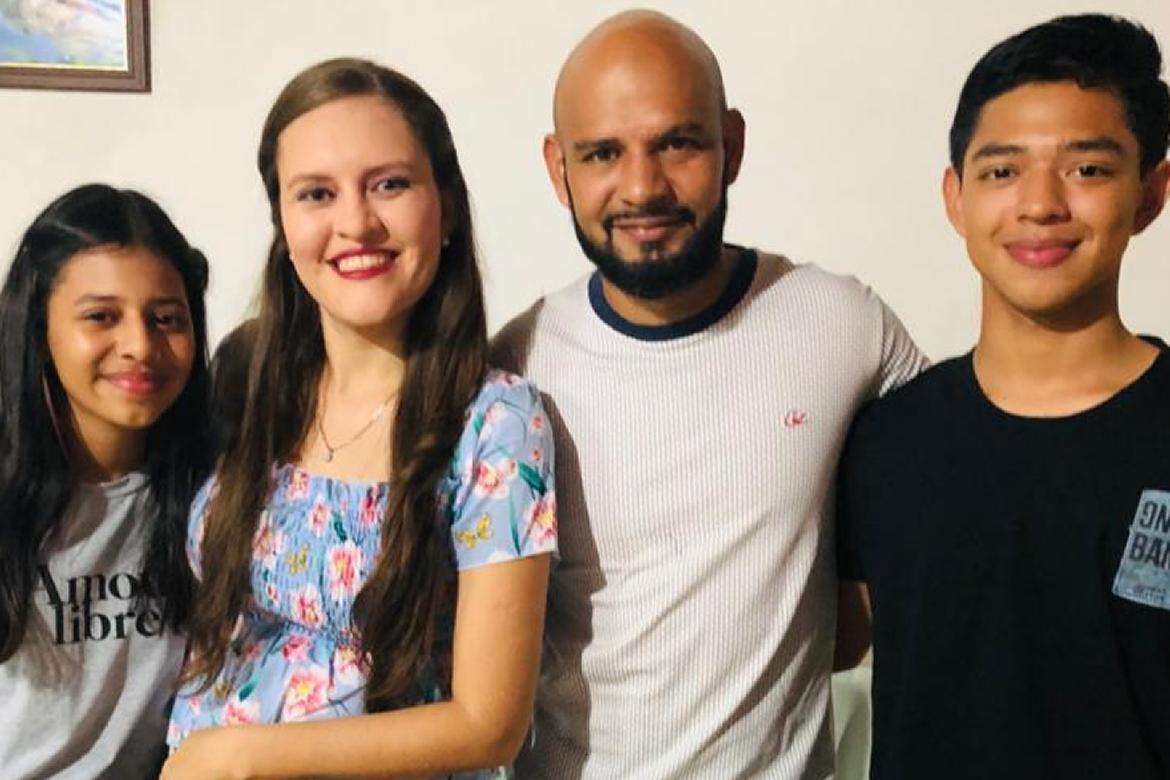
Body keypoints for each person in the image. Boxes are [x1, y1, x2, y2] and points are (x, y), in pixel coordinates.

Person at [490, 10, 926, 778]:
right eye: (603, 153)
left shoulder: (841, 324)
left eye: (678, 144)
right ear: (558, 168)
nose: (642, 187)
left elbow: (962, 501)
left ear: (733, 145)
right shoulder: (516, 370)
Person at [162, 58, 557, 779]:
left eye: (390, 184)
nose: (356, 223)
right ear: (283, 223)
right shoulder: (249, 376)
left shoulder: (495, 422)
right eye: (317, 193)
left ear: (447, 209)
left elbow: (489, 723)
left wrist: (239, 755)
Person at [837, 14, 1170, 779]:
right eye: (1001, 172)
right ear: (955, 197)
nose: (1040, 204)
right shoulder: (886, 442)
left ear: (1150, 194)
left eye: (1088, 168)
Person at [0, 184, 211, 778]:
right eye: (101, 317)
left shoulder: (214, 495)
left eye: (166, 319)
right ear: (39, 328)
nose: (140, 346)